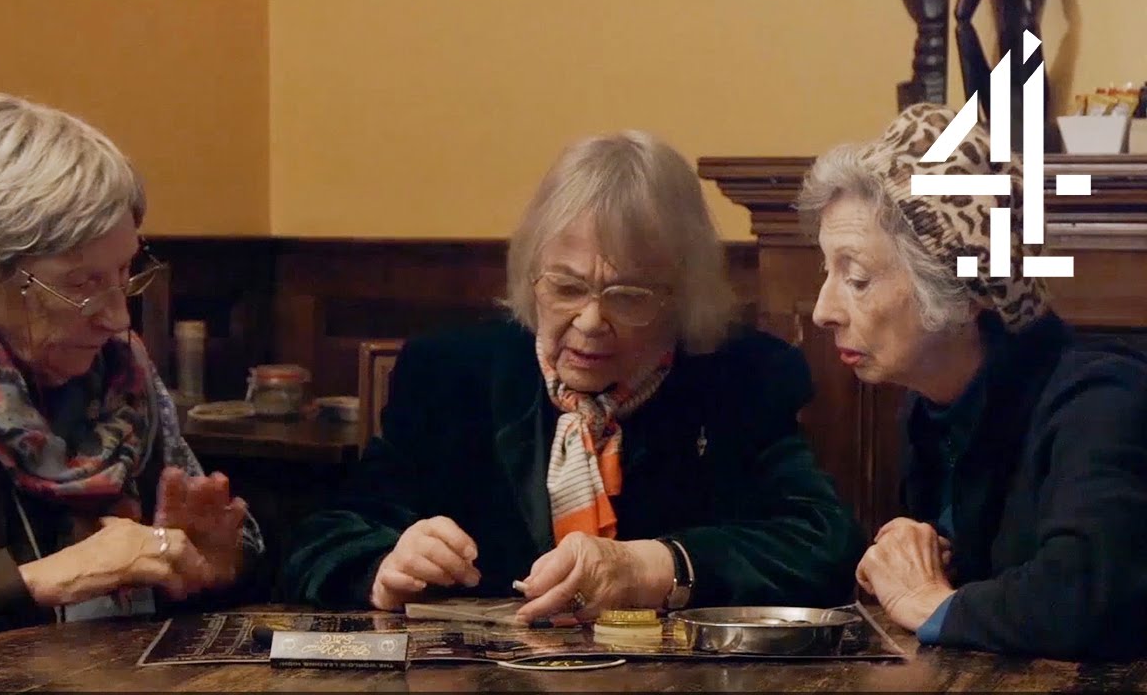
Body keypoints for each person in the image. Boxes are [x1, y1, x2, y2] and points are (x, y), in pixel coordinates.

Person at [283, 130, 862, 620]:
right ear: (530, 274)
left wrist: (656, 566)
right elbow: (322, 537)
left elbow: (823, 543)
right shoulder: (451, 374)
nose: (589, 322)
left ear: (681, 298)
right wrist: (383, 567)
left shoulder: (741, 377)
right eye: (565, 287)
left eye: (627, 296)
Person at [0, 94, 264, 676]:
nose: (117, 318)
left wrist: (214, 568)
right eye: (80, 285)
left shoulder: (123, 377)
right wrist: (38, 581)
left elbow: (194, 584)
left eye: (125, 272)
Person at [799, 102, 1147, 660]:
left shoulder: (1100, 402)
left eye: (857, 278)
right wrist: (923, 551)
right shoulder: (929, 407)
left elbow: (1087, 599)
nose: (822, 311)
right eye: (827, 270)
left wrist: (929, 601)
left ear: (964, 294)